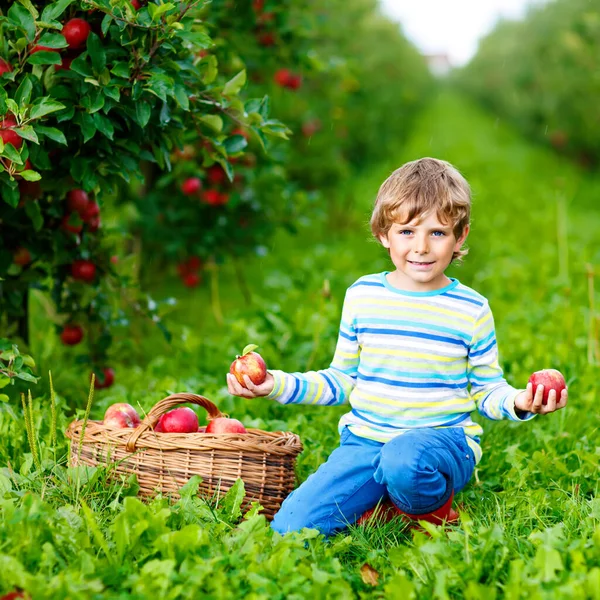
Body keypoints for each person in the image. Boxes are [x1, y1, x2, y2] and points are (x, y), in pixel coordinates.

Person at [226, 157, 569, 537]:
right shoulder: (362, 296)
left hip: (441, 443)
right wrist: (273, 383)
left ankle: (431, 509)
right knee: (290, 529)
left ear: (461, 236)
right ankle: (393, 507)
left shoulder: (471, 309)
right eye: (407, 231)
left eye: (437, 233)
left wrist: (521, 401)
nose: (421, 247)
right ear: (383, 234)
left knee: (404, 458)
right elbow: (341, 379)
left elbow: (487, 388)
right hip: (366, 441)